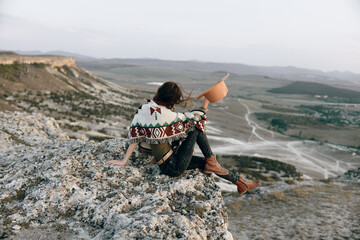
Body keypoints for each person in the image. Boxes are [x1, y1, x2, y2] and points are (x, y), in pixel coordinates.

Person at [106, 82, 260, 195]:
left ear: (160, 93)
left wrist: (125, 160)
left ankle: (240, 183)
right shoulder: (169, 115)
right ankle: (215, 163)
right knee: (195, 129)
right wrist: (206, 102)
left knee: (206, 164)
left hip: (170, 161)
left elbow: (135, 136)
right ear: (173, 99)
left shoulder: (145, 110)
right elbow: (193, 120)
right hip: (173, 166)